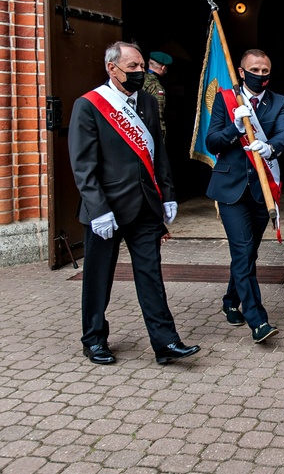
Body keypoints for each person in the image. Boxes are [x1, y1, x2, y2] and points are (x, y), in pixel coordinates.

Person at [68, 41, 200, 366]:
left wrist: (167, 194)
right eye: (133, 68)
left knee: (151, 275)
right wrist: (97, 209)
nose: (140, 72)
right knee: (99, 278)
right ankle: (94, 340)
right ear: (112, 69)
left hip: (144, 207)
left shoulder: (148, 103)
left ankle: (166, 342)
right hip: (106, 210)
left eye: (141, 66)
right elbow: (83, 166)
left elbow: (158, 153)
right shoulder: (89, 105)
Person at [206, 48, 284, 343]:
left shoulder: (281, 102)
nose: (261, 75)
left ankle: (231, 300)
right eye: (255, 70)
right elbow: (212, 139)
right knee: (242, 251)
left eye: (266, 71)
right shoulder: (225, 99)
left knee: (249, 252)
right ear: (241, 72)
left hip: (261, 187)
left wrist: (270, 149)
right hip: (230, 188)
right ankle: (258, 320)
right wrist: (234, 126)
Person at [143, 51, 173, 140]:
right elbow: (158, 114)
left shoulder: (140, 79)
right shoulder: (156, 86)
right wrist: (161, 137)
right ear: (163, 68)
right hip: (149, 132)